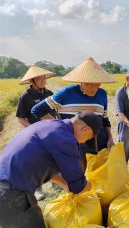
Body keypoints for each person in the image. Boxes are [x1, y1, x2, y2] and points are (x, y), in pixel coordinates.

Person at [0, 111, 101, 228]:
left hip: (7, 189)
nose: (83, 142)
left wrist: (66, 185)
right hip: (11, 195)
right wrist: (93, 186)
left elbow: (50, 172)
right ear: (86, 130)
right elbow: (79, 186)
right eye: (87, 139)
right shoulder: (65, 139)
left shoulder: (50, 125)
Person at [31, 57, 116, 168]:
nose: (93, 88)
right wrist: (59, 127)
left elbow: (104, 119)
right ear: (80, 81)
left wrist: (110, 138)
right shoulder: (66, 93)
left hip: (98, 143)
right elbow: (37, 110)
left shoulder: (102, 94)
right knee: (78, 175)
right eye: (88, 84)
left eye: (97, 84)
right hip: (74, 145)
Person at [16, 66, 55, 201]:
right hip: (35, 134)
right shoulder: (25, 96)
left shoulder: (50, 93)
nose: (43, 80)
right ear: (32, 81)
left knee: (53, 156)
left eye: (44, 77)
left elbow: (56, 113)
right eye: (39, 78)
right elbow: (21, 118)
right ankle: (37, 188)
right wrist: (32, 129)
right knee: (36, 160)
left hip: (50, 131)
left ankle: (56, 183)